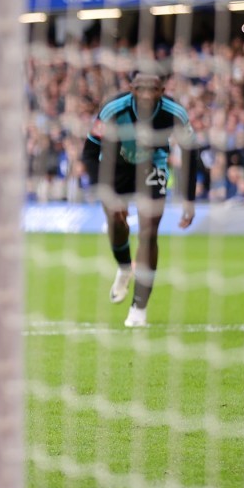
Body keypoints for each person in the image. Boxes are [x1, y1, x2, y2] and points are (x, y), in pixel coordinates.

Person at [80, 67, 198, 327]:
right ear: (131, 88)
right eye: (140, 88)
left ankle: (138, 309)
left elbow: (191, 152)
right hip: (116, 166)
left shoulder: (175, 113)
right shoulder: (113, 109)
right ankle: (124, 267)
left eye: (152, 88)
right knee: (116, 220)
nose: (146, 94)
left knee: (149, 232)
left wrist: (189, 199)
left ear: (162, 91)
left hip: (152, 166)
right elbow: (89, 152)